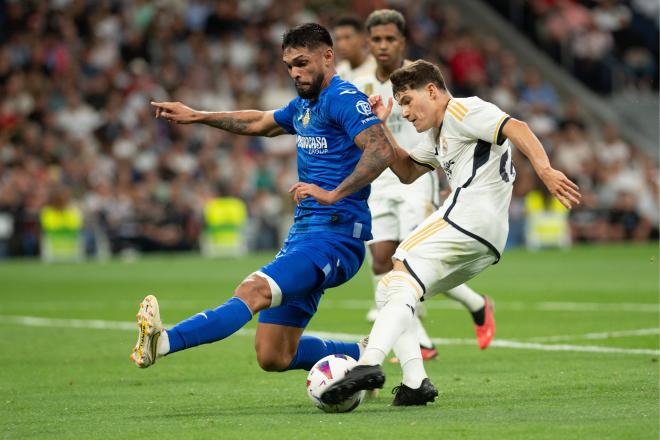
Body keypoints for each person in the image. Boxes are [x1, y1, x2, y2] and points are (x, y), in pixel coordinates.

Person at [130, 23, 396, 375]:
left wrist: (333, 193)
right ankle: (363, 355)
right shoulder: (305, 105)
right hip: (304, 236)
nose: (295, 72)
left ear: (327, 56)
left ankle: (163, 342)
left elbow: (381, 150)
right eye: (289, 66)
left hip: (336, 238)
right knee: (274, 355)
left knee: (253, 290)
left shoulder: (344, 99)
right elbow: (260, 121)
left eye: (302, 62)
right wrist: (198, 115)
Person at [316, 60, 581, 406]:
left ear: (431, 90)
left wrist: (544, 169)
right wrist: (381, 128)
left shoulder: (462, 109)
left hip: (469, 216)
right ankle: (415, 383)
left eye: (408, 101)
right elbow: (408, 171)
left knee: (398, 263)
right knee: (394, 291)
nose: (405, 112)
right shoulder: (438, 135)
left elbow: (516, 126)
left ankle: (368, 365)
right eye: (400, 105)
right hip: (487, 237)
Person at [350, 9, 495, 359]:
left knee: (413, 258)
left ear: (402, 41)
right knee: (381, 260)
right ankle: (473, 305)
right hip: (380, 182)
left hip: (416, 178)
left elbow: (444, 124)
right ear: (368, 44)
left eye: (390, 39)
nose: (383, 46)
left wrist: (448, 173)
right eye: (376, 40)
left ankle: (415, 341)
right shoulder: (357, 81)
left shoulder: (418, 76)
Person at [333, 17, 376, 83]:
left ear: (362, 38)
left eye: (347, 37)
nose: (341, 44)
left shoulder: (376, 69)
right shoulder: (339, 71)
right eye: (338, 39)